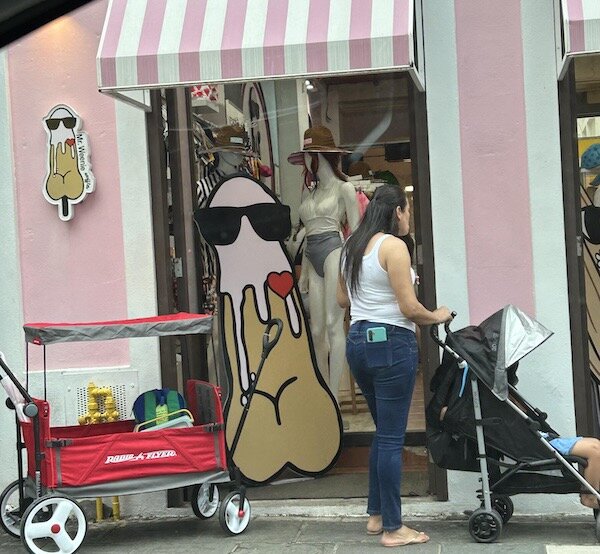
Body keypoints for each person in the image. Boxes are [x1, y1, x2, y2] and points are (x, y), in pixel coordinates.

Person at [337, 184, 452, 547]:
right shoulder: (394, 247)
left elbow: (342, 299)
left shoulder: (351, 246)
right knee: (390, 437)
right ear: (397, 211)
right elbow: (409, 307)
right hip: (390, 343)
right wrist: (437, 315)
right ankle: (393, 527)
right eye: (408, 209)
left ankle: (376, 515)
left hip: (358, 342)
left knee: (382, 432)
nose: (409, 216)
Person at [288, 126, 360, 402]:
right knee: (317, 330)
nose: (307, 161)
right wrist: (304, 272)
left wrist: (351, 272)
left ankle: (334, 396)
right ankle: (323, 398)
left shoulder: (345, 189)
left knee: (333, 324)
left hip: (334, 252)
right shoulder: (309, 194)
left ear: (321, 156)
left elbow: (356, 233)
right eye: (305, 156)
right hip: (312, 254)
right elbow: (306, 236)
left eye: (311, 155)